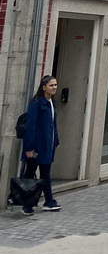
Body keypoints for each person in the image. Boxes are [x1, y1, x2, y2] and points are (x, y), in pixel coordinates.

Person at [22, 74, 60, 215]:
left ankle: (49, 201)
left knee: (45, 173)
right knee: (30, 173)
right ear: (44, 87)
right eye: (51, 85)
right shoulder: (36, 103)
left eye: (55, 85)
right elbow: (30, 126)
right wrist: (30, 147)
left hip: (47, 145)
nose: (54, 87)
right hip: (36, 146)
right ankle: (27, 204)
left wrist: (56, 140)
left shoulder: (52, 103)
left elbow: (52, 124)